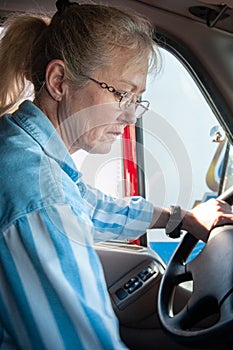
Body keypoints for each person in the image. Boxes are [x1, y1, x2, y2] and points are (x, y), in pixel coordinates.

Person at [0, 0, 232, 349]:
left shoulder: (24, 149)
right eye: (122, 94)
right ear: (59, 81)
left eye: (137, 100)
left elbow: (91, 206)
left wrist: (179, 218)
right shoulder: (43, 200)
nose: (131, 116)